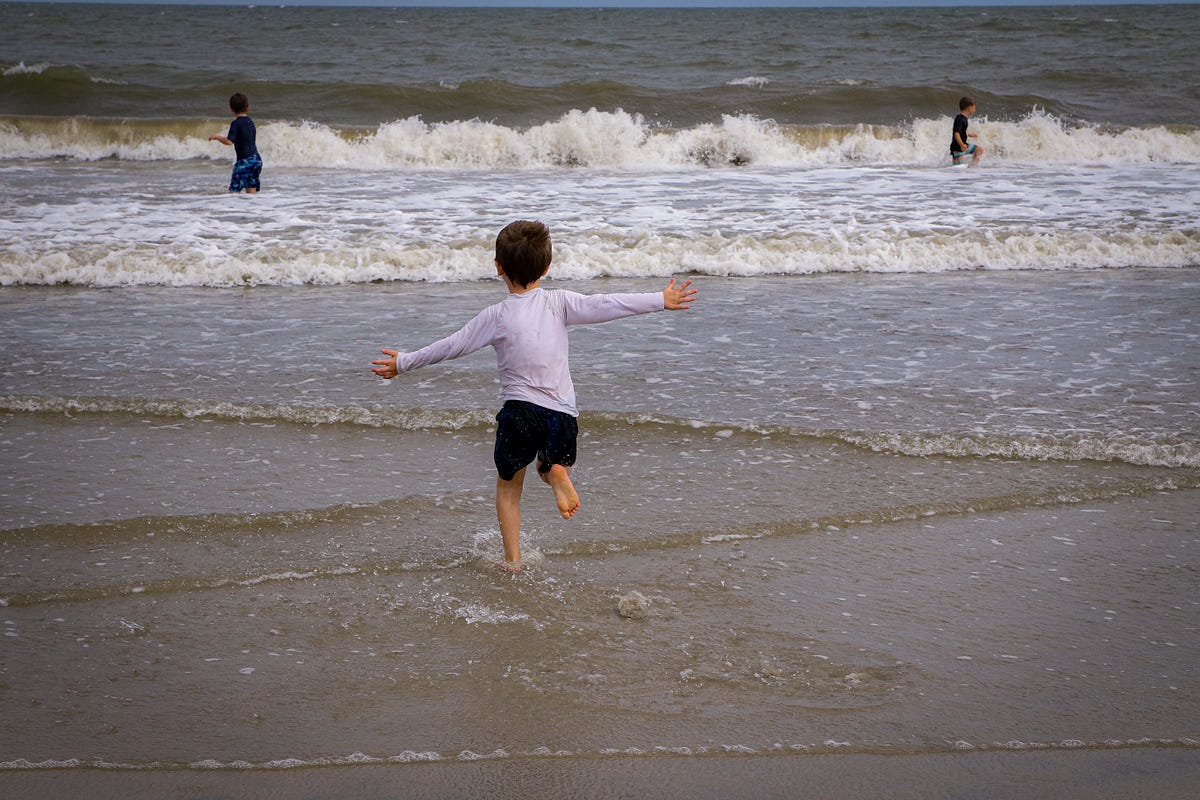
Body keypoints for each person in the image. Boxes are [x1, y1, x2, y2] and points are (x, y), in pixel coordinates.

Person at [371, 220, 697, 569]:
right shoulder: (559, 302)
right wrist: (658, 300)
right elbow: (606, 304)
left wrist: (404, 363)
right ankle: (556, 473)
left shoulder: (495, 316)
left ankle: (513, 561)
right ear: (547, 267)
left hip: (519, 413)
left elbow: (452, 346)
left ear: (498, 268)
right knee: (553, 463)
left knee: (509, 488)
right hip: (561, 415)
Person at [209, 92, 262, 193]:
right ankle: (253, 208)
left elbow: (229, 141)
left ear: (231, 109)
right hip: (256, 160)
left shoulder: (236, 123)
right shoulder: (250, 122)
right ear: (248, 107)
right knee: (251, 191)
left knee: (233, 193)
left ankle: (233, 208)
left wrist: (217, 137)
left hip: (244, 162)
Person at [950, 96, 983, 166]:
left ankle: (972, 167)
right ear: (969, 107)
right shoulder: (960, 119)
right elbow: (956, 133)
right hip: (958, 148)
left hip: (963, 146)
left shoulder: (964, 118)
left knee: (979, 150)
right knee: (958, 169)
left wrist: (970, 134)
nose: (975, 110)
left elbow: (963, 130)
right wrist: (962, 145)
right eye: (974, 108)